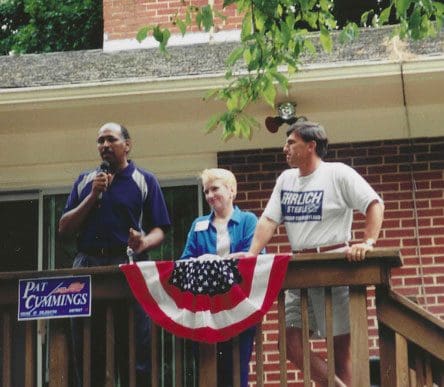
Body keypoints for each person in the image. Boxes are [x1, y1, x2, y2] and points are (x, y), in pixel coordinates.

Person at [246, 121, 384, 386]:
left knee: (340, 354)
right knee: (288, 342)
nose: (284, 147)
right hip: (300, 271)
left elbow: (374, 204)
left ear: (311, 146)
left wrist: (367, 242)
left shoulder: (337, 173)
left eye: (291, 142)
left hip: (335, 268)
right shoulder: (285, 180)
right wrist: (252, 253)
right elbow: (268, 221)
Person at [59, 122, 171, 387]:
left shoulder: (144, 180)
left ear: (127, 145)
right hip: (88, 265)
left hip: (128, 264)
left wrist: (143, 242)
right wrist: (94, 194)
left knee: (134, 346)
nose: (105, 145)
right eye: (100, 141)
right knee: (87, 346)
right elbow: (64, 228)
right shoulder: (86, 181)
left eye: (111, 139)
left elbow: (161, 228)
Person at [181, 168, 261, 387]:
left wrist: (210, 259)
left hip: (238, 305)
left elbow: (252, 258)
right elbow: (185, 260)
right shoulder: (198, 225)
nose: (209, 195)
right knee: (208, 370)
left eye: (214, 188)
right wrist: (205, 259)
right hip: (205, 308)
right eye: (206, 191)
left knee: (237, 371)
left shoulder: (248, 220)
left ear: (231, 190)